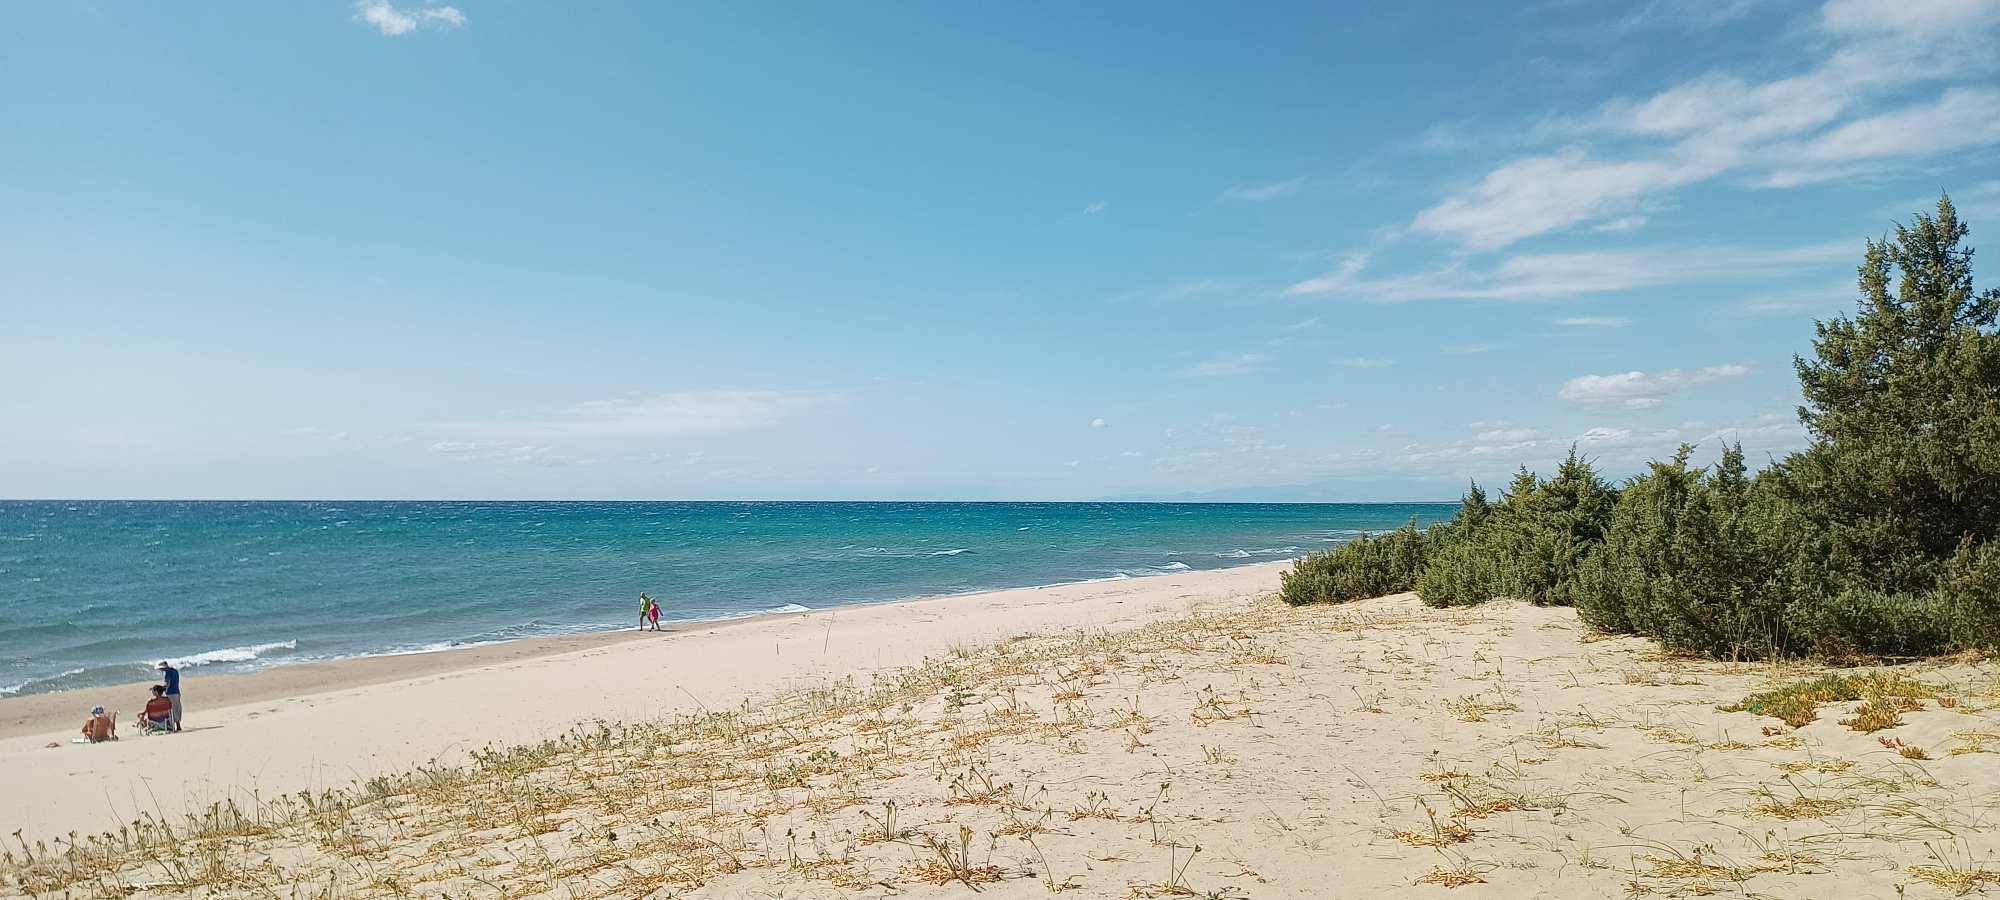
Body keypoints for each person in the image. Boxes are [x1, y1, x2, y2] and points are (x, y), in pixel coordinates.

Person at [155, 660, 182, 731]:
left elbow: (167, 685)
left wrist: (159, 689)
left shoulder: (167, 673)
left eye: (160, 668)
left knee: (171, 710)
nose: (160, 670)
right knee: (177, 708)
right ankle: (178, 725)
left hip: (171, 693)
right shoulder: (175, 671)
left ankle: (174, 727)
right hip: (177, 692)